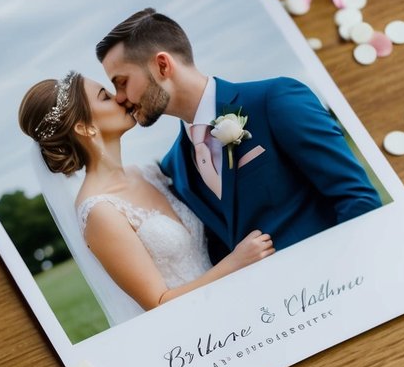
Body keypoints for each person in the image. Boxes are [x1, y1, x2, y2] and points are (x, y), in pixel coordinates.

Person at [96, 7, 382, 262]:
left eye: (122, 83)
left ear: (162, 65)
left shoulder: (276, 99)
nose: (119, 98)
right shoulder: (175, 165)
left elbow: (357, 198)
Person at [19, 71, 274, 314]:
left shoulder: (149, 173)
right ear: (85, 128)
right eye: (105, 97)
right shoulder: (99, 211)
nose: (121, 98)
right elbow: (158, 303)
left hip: (239, 300)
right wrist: (236, 263)